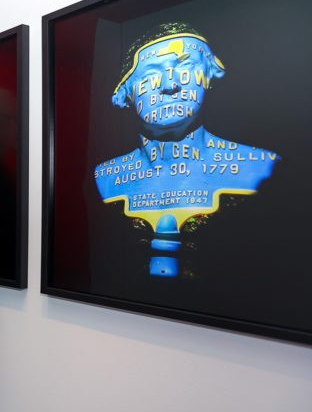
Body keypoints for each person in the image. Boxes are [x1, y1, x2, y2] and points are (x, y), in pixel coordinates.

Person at [94, 22, 280, 278]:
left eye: (186, 67)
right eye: (151, 74)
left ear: (210, 77)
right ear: (123, 93)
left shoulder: (262, 166)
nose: (170, 84)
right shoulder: (104, 178)